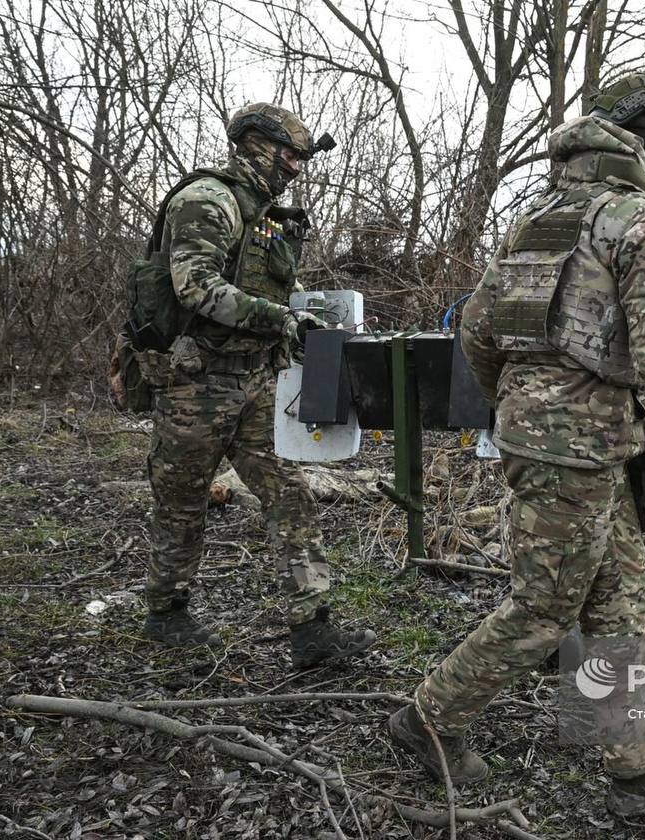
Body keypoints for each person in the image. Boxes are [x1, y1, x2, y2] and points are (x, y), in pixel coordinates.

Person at [387, 74, 645, 816]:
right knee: (543, 609)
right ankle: (427, 720)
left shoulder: (540, 217)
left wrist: (524, 403)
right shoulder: (642, 220)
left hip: (565, 444)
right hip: (577, 448)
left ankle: (639, 771)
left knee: (624, 602)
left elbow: (477, 331)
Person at [138, 102, 375, 669]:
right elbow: (196, 287)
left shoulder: (265, 215)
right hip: (195, 385)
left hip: (256, 380)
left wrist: (313, 315)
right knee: (182, 502)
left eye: (300, 158)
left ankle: (313, 627)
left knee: (290, 493)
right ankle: (166, 611)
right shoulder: (207, 200)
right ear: (256, 145)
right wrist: (282, 319)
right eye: (289, 155)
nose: (295, 167)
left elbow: (276, 290)